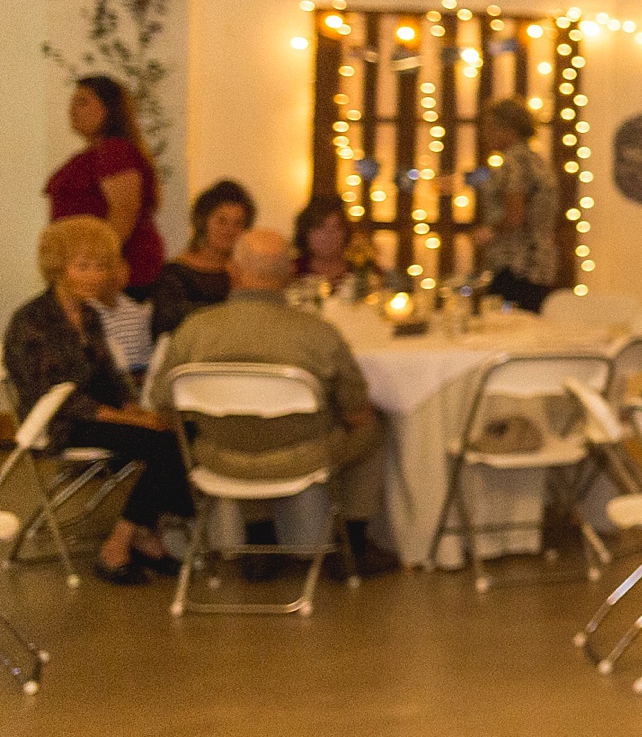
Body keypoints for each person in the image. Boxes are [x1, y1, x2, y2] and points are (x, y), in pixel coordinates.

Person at [151, 229, 397, 576]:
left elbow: (163, 408)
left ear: (233, 271)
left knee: (246, 427)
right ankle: (352, 545)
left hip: (220, 456)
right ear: (289, 275)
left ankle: (257, 543)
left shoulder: (194, 330)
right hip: (302, 457)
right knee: (374, 424)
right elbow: (357, 411)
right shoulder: (318, 332)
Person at [4, 217, 193, 584]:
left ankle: (142, 530)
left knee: (178, 432)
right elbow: (61, 400)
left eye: (102, 266)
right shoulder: (32, 321)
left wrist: (135, 408)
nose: (95, 276)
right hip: (59, 424)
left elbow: (110, 378)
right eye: (83, 266)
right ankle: (119, 544)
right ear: (58, 267)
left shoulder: (88, 313)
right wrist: (131, 420)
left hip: (97, 415)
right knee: (163, 445)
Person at [45, 75, 167, 299]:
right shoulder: (99, 152)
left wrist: (100, 264)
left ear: (109, 109)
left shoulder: (114, 151)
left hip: (108, 278)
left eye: (83, 102)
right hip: (88, 272)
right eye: (72, 102)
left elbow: (124, 210)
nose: (73, 108)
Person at [473, 97, 558, 313]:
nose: (486, 135)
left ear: (508, 129)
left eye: (491, 127)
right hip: (541, 263)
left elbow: (515, 216)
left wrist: (488, 231)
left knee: (502, 327)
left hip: (515, 264)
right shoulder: (537, 161)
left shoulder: (513, 163)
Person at [151, 179, 255, 340]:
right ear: (203, 221)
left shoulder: (248, 271)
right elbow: (165, 330)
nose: (230, 230)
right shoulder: (175, 275)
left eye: (238, 223)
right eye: (221, 221)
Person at [292, 194, 363, 287]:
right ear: (305, 233)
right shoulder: (292, 273)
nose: (328, 235)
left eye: (336, 228)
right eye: (320, 228)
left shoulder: (361, 275)